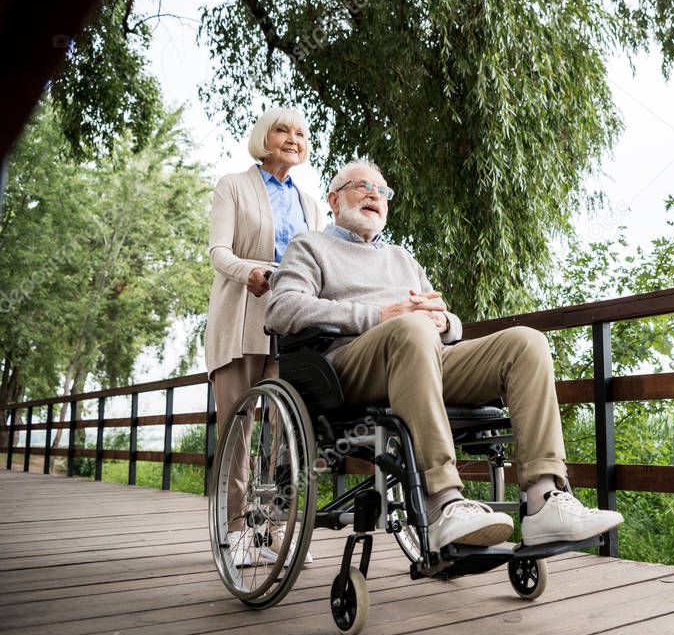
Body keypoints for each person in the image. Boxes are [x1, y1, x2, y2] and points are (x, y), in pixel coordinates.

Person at [265, 157, 623, 550]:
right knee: (410, 328)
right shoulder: (310, 246)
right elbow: (281, 309)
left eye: (382, 191)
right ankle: (443, 501)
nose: (374, 195)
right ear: (333, 199)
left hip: (421, 353)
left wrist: (445, 323)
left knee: (525, 342)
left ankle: (544, 500)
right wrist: (379, 315)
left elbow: (447, 317)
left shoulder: (403, 258)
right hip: (349, 365)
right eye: (361, 186)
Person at [205, 107, 326, 565]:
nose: (292, 139)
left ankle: (272, 528)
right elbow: (218, 251)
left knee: (287, 430)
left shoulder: (310, 203)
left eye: (299, 133)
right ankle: (236, 529)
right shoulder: (233, 186)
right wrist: (249, 271)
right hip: (241, 318)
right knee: (240, 424)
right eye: (282, 130)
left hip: (291, 323)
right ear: (264, 137)